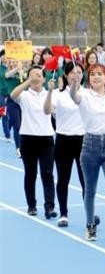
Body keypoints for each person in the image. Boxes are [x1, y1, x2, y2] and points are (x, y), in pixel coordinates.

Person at [69, 63, 105, 244]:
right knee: (90, 190)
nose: (96, 77)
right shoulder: (83, 94)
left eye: (100, 74)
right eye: (92, 74)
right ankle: (90, 225)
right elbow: (74, 96)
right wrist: (75, 84)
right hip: (90, 144)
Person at [10, 65, 57, 218]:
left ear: (44, 78)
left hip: (46, 139)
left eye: (39, 75)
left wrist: (50, 92)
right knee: (30, 174)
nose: (36, 77)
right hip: (28, 139)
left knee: (47, 173)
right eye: (33, 75)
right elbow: (12, 95)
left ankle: (49, 207)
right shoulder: (24, 95)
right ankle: (31, 205)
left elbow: (48, 110)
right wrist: (28, 81)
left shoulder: (50, 93)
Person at [44, 63, 85, 228]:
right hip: (63, 140)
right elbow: (47, 111)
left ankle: (89, 213)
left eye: (79, 72)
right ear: (66, 75)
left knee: (86, 181)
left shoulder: (87, 93)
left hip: (83, 140)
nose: (76, 75)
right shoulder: (58, 94)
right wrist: (49, 92)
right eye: (72, 72)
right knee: (63, 178)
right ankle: (63, 213)